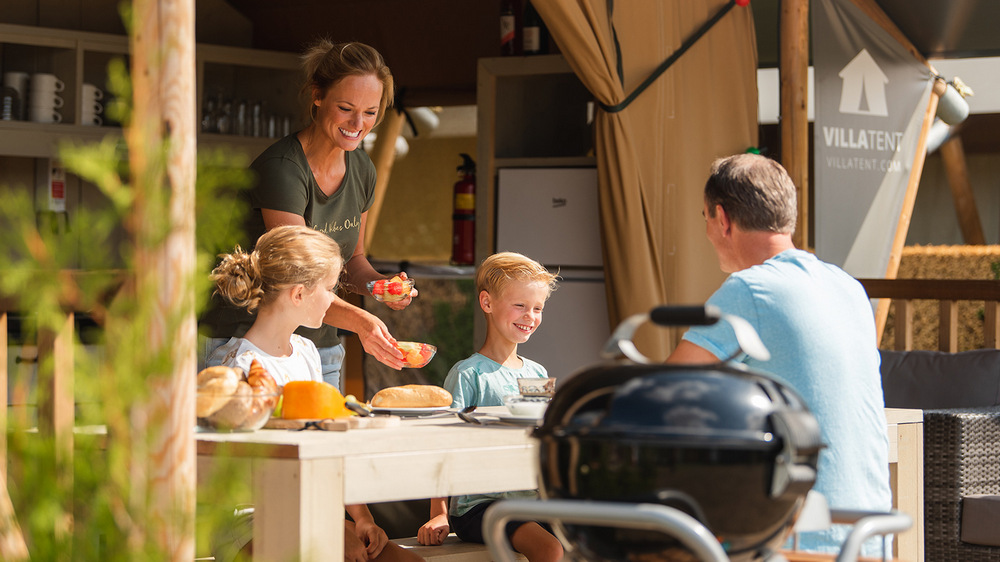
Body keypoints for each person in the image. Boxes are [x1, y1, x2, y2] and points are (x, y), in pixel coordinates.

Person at [667, 153, 892, 556]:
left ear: (722, 218)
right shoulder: (848, 287)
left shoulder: (750, 290)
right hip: (867, 535)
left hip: (800, 540)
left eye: (704, 218)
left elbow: (663, 394)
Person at [201, 38, 415, 390]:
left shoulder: (361, 168)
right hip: (245, 344)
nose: (358, 123)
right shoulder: (282, 170)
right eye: (346, 108)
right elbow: (297, 281)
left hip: (318, 346)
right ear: (318, 96)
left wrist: (380, 287)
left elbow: (354, 258)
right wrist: (362, 322)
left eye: (371, 112)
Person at [209, 225, 422, 562]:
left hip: (308, 505)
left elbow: (328, 450)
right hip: (251, 519)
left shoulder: (307, 351)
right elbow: (246, 480)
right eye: (329, 288)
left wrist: (361, 520)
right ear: (298, 295)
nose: (334, 297)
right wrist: (333, 528)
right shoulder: (242, 369)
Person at [418, 252, 563, 562]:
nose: (530, 316)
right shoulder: (467, 373)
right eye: (520, 306)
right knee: (550, 549)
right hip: (478, 506)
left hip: (530, 501)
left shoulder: (537, 373)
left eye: (538, 308)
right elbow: (443, 444)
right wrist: (439, 513)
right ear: (487, 303)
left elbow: (541, 440)